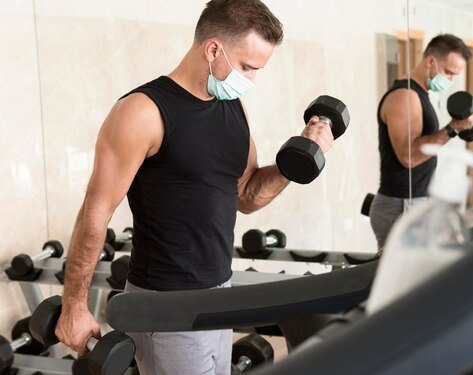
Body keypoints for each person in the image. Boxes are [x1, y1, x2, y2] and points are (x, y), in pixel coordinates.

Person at [54, 1, 334, 374]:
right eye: (247, 67)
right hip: (166, 305)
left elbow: (246, 196)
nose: (250, 80)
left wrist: (300, 156)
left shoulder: (233, 108)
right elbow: (96, 211)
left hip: (219, 294)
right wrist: (74, 304)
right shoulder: (143, 111)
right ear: (213, 49)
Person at [369, 34, 473, 251]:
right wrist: (453, 128)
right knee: (400, 281)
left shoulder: (420, 95)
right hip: (400, 204)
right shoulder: (405, 96)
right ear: (430, 62)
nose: (450, 81)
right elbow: (409, 157)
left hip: (413, 201)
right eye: (448, 73)